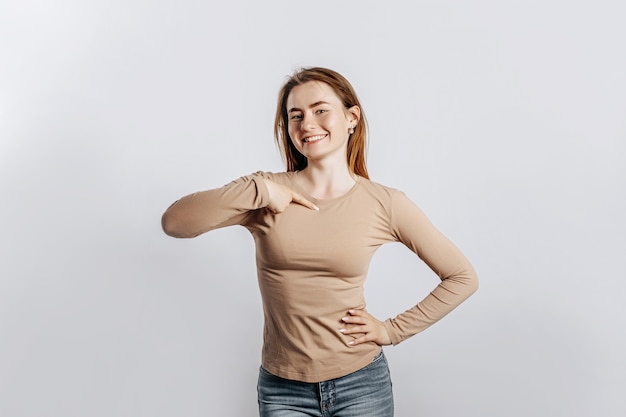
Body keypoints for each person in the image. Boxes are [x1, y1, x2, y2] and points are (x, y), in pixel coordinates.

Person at [161, 67, 478, 417]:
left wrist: (391, 330)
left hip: (361, 383)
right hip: (283, 389)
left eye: (320, 109)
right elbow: (175, 222)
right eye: (295, 115)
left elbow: (462, 277)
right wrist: (261, 190)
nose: (307, 123)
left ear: (351, 117)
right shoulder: (265, 192)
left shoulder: (385, 203)